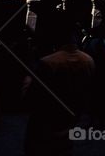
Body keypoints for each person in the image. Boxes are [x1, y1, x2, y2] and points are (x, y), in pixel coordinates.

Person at [22, 13, 95, 156]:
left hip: (46, 122)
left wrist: (27, 81)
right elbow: (89, 90)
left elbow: (32, 97)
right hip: (73, 118)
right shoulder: (88, 60)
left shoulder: (48, 62)